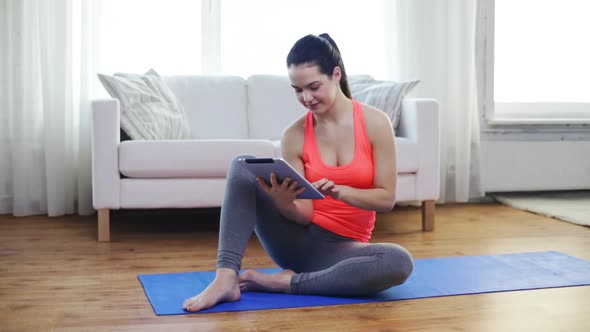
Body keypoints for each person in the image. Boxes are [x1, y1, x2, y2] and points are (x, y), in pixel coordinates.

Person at [182, 33, 413, 312]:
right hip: (294, 243)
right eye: (297, 89)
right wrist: (284, 204)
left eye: (314, 86)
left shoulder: (376, 123)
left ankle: (285, 284)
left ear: (336, 74)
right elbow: (304, 213)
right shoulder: (294, 135)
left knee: (398, 261)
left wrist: (343, 192)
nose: (306, 98)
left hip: (342, 252)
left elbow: (387, 199)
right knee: (242, 165)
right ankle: (225, 278)